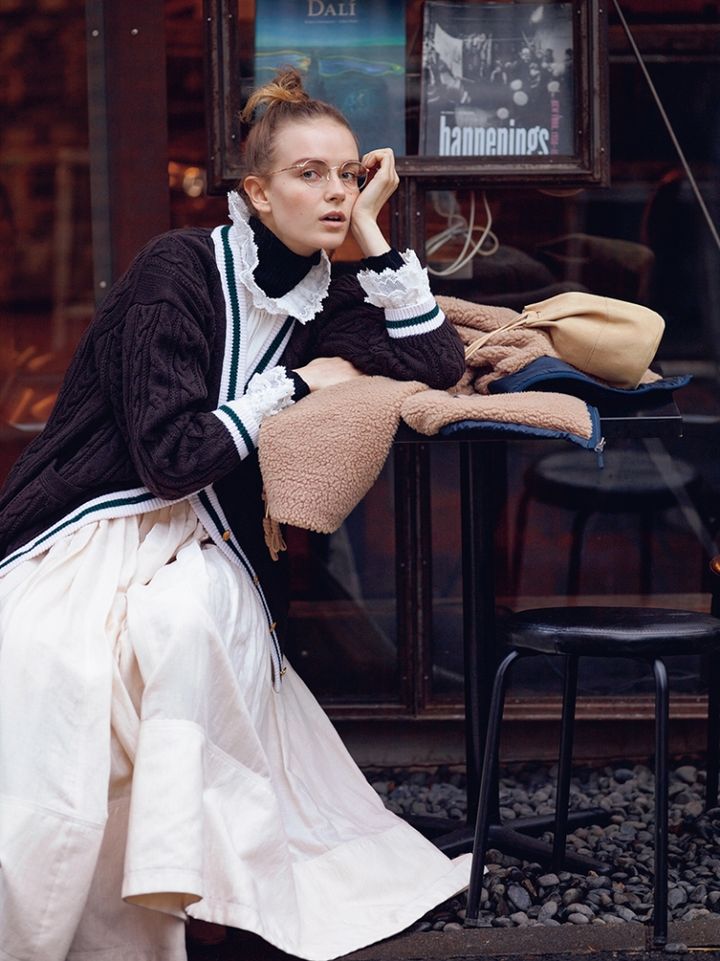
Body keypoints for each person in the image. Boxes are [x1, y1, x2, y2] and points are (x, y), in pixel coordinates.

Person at [0, 69, 469, 961]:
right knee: (57, 662)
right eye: (308, 174)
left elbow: (438, 361)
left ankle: (189, 884)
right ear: (255, 191)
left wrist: (374, 231)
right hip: (99, 519)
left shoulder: (326, 295)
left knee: (181, 626)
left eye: (346, 175)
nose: (333, 193)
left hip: (210, 539)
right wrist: (288, 386)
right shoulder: (174, 272)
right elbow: (169, 458)